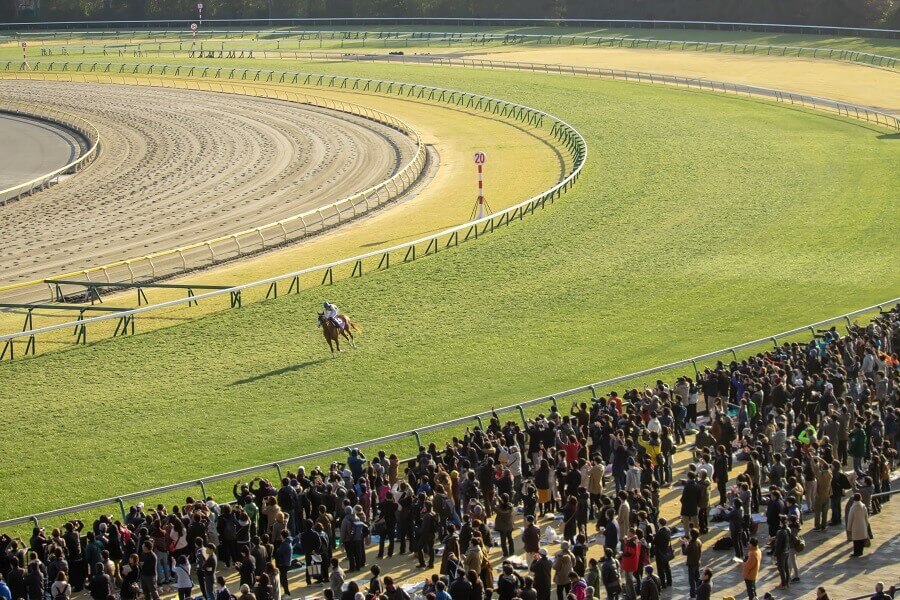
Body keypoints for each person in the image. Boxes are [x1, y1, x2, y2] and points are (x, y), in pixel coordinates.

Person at [846, 493, 871, 558]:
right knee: (861, 540)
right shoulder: (863, 506)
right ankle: (860, 552)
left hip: (855, 527)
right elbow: (866, 516)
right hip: (862, 526)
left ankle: (856, 553)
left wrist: (849, 528)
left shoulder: (853, 507)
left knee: (856, 541)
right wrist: (866, 524)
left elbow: (850, 518)